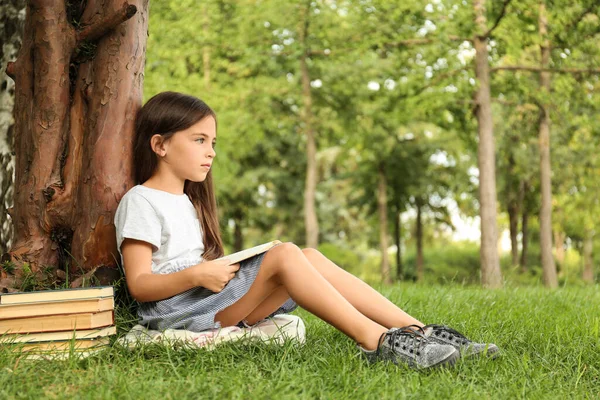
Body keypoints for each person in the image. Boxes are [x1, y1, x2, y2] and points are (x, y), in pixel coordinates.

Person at [114, 91, 498, 370]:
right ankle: (379, 342)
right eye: (199, 140)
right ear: (160, 145)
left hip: (204, 302)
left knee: (306, 256)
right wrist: (198, 273)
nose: (211, 151)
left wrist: (219, 268)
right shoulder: (141, 201)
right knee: (285, 255)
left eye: (212, 142)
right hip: (180, 312)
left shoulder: (185, 200)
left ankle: (417, 331)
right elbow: (140, 285)